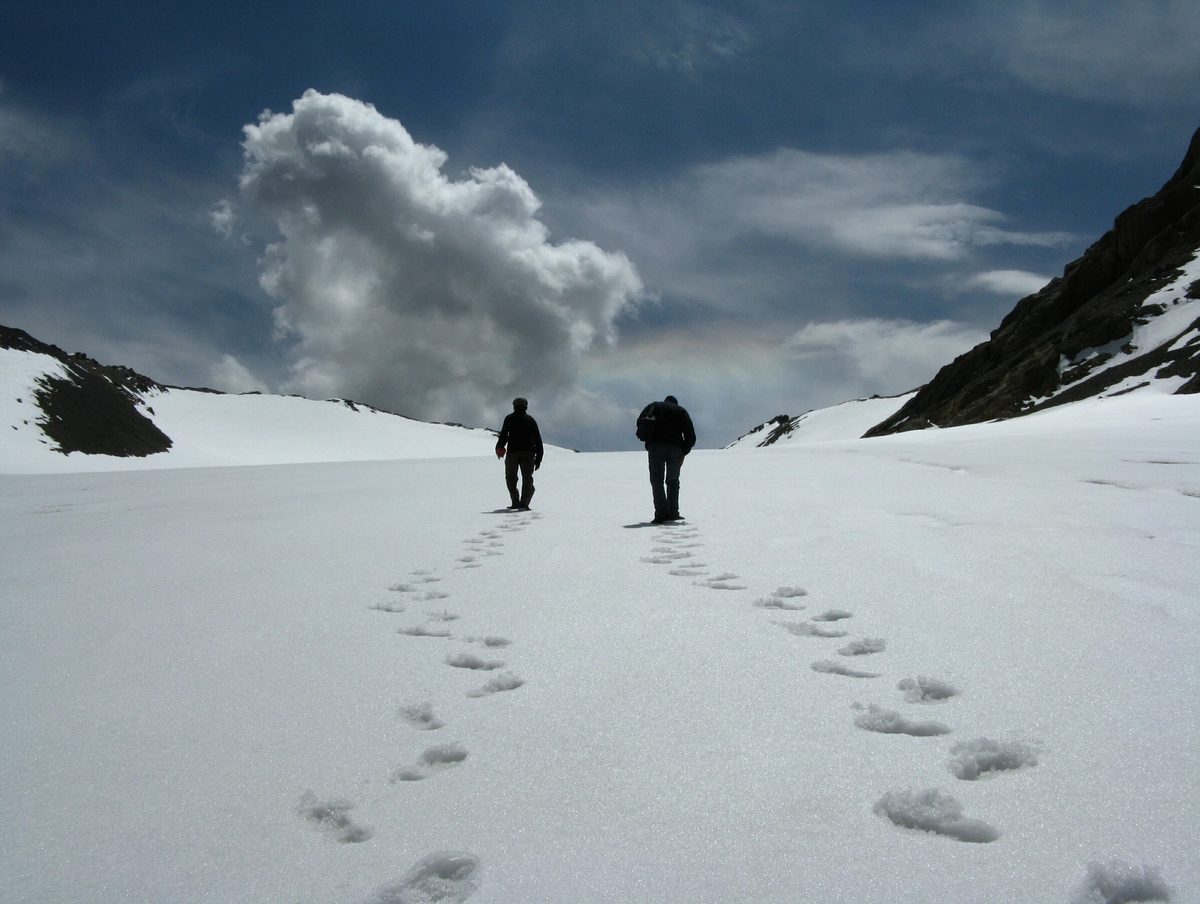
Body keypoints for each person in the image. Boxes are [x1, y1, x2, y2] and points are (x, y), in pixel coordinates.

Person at [638, 395, 695, 524]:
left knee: (656, 480)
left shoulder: (653, 407)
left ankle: (661, 514)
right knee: (673, 480)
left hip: (656, 447)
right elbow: (690, 435)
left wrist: (649, 443)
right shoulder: (681, 411)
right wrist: (684, 452)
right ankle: (673, 512)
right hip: (676, 449)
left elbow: (640, 424)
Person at [495, 397, 544, 510]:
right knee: (527, 478)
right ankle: (524, 503)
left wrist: (499, 447)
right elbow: (538, 440)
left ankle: (515, 501)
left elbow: (503, 435)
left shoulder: (509, 418)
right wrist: (539, 458)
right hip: (529, 453)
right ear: (526, 407)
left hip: (513, 452)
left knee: (511, 477)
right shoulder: (530, 420)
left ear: (514, 406)